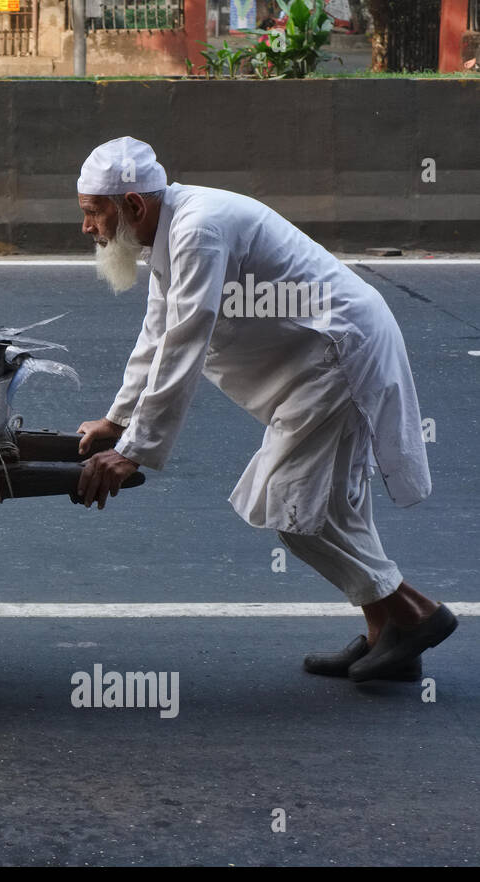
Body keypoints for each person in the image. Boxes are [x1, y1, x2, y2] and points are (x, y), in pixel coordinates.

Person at [73, 136, 457, 683]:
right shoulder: (168, 227)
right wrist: (118, 419)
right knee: (337, 511)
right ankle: (385, 636)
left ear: (133, 204)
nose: (87, 226)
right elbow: (156, 331)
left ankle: (416, 614)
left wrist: (134, 450)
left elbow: (185, 340)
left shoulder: (198, 229)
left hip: (335, 355)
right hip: (317, 360)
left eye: (93, 212)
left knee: (292, 511)